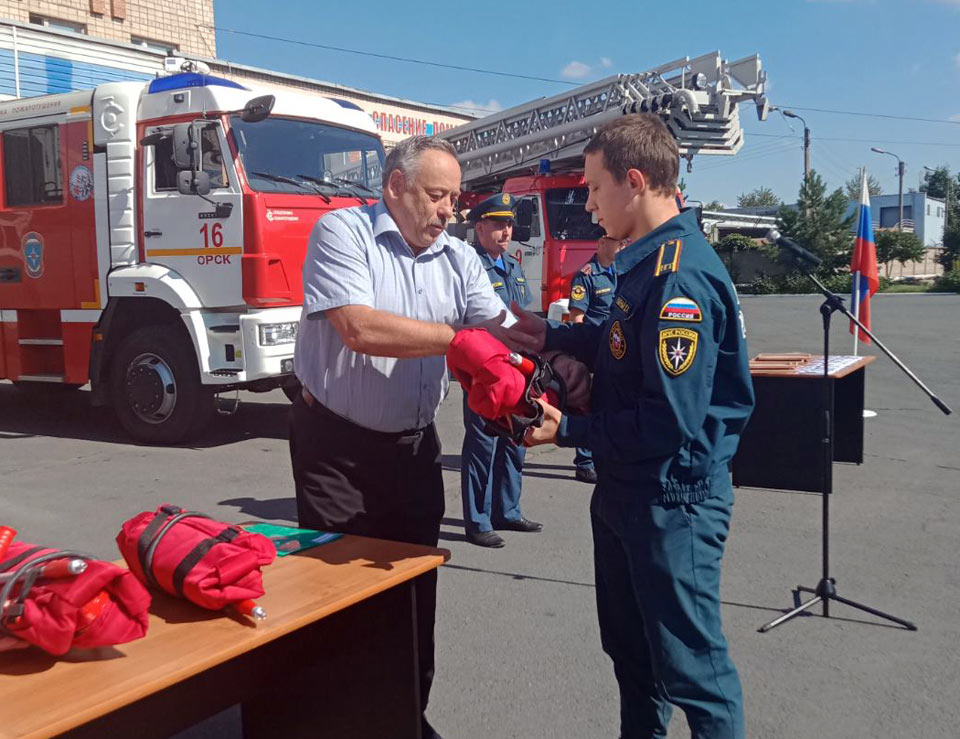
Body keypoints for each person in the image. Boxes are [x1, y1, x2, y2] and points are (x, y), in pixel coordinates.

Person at [505, 114, 754, 739]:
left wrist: (567, 433)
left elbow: (668, 419)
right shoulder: (646, 263)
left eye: (592, 188)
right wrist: (554, 336)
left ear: (635, 181)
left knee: (695, 672)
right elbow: (622, 348)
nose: (588, 205)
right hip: (629, 492)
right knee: (633, 658)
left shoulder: (680, 277)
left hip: (673, 501)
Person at [289, 135, 513, 739]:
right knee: (344, 599)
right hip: (338, 452)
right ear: (395, 188)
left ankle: (406, 717)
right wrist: (456, 341)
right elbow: (358, 327)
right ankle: (341, 723)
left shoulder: (459, 257)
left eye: (454, 198)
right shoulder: (343, 234)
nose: (449, 210)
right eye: (437, 196)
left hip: (414, 452)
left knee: (416, 593)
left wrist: (569, 354)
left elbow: (504, 326)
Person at [460, 192, 543, 548]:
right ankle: (478, 520)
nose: (506, 231)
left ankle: (506, 510)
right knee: (482, 443)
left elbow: (522, 312)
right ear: (479, 227)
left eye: (508, 224)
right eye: (497, 224)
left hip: (516, 368)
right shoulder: (470, 265)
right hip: (485, 367)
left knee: (515, 439)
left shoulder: (512, 265)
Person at [566, 234, 624, 485]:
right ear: (601, 243)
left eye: (624, 243)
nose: (622, 246)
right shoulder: (586, 275)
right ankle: (584, 462)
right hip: (593, 349)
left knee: (611, 401)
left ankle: (603, 452)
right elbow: (577, 317)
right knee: (586, 404)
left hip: (616, 349)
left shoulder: (621, 271)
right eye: (618, 242)